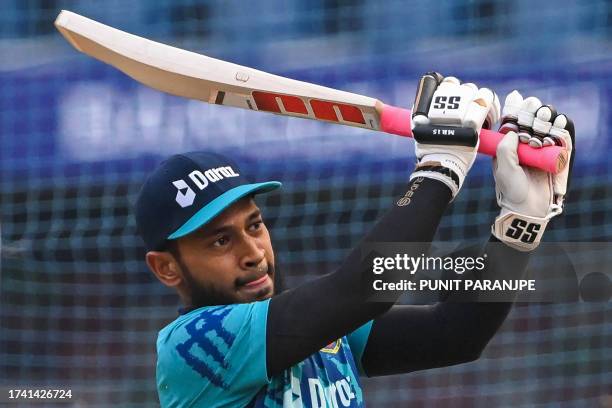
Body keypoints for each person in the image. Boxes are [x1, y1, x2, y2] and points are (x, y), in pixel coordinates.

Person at [134, 73, 575, 407]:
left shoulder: (316, 326)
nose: (252, 253)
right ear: (165, 267)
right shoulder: (193, 344)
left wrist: (519, 228)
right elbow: (364, 288)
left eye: (254, 226)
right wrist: (438, 170)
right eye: (219, 242)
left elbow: (456, 335)